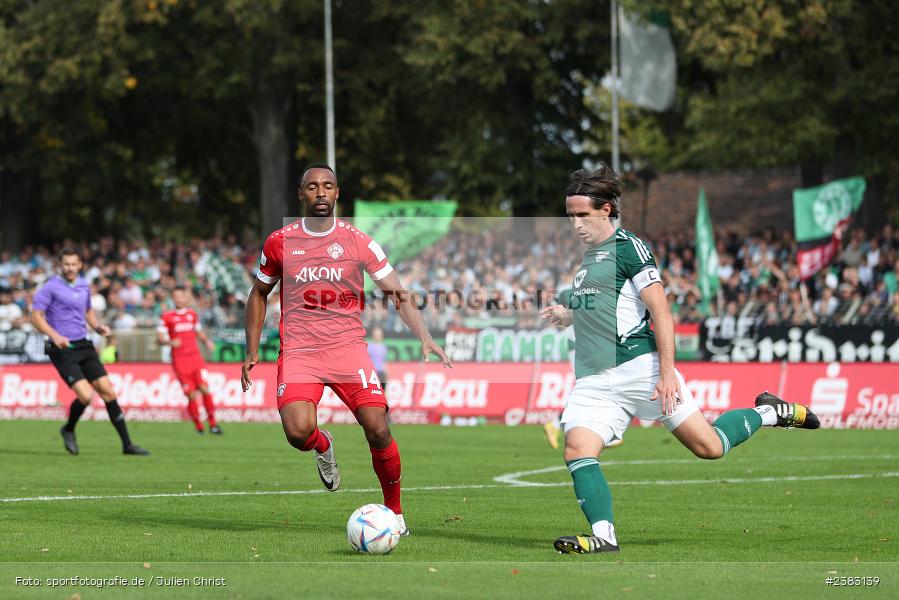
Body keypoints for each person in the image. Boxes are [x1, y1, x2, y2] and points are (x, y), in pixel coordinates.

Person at [539, 164, 819, 554]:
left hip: (640, 369)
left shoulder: (629, 249)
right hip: (595, 379)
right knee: (577, 450)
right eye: (570, 216)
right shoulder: (590, 261)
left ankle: (771, 412)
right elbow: (605, 307)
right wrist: (568, 313)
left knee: (710, 447)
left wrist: (666, 374)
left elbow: (660, 311)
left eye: (582, 214)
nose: (575, 224)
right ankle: (604, 536)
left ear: (605, 210)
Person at [242, 163, 452, 535]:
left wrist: (424, 334)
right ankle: (323, 445)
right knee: (298, 434)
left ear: (338, 193)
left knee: (378, 430)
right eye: (312, 187)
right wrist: (252, 349)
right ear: (301, 194)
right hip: (300, 353)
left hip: (347, 350)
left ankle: (395, 513)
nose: (320, 193)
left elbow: (397, 293)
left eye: (327, 186)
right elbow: (259, 293)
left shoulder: (358, 241)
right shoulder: (279, 241)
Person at [31, 248, 149, 456]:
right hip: (62, 349)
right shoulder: (50, 287)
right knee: (85, 396)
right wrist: (55, 335)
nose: (70, 268)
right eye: (66, 264)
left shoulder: (84, 285)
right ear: (61, 265)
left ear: (80, 265)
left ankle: (127, 445)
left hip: (84, 345)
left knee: (108, 392)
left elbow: (87, 311)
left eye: (73, 264)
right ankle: (68, 429)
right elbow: (36, 317)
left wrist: (98, 327)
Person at [158, 286, 221, 434]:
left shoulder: (192, 315)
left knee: (205, 389)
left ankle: (213, 424)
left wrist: (207, 342)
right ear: (173, 299)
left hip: (196, 358)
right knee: (191, 394)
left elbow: (198, 332)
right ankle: (199, 425)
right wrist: (170, 342)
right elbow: (160, 338)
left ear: (186, 298)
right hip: (180, 361)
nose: (179, 299)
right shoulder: (167, 317)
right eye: (176, 296)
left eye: (181, 296)